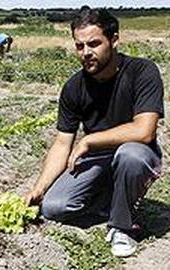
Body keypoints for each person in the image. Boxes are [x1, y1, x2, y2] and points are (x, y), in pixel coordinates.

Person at [23, 7, 164, 258]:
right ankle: (110, 201)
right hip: (98, 157)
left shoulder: (142, 71)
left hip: (138, 151)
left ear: (114, 40)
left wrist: (89, 139)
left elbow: (144, 130)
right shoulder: (74, 87)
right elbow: (62, 143)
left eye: (94, 43)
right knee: (54, 208)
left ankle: (123, 227)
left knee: (129, 157)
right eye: (79, 46)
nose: (86, 52)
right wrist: (40, 188)